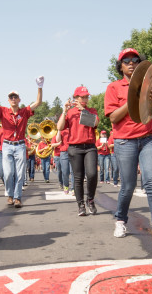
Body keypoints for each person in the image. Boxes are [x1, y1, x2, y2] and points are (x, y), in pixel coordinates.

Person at [105, 48, 152, 246]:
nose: (131, 63)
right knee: (128, 186)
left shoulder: (150, 85)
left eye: (135, 59)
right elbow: (113, 117)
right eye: (126, 61)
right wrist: (131, 99)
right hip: (124, 141)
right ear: (120, 67)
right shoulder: (114, 88)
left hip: (148, 139)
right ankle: (120, 220)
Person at [0, 79, 42, 208]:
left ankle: (17, 197)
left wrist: (40, 86)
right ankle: (10, 194)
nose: (13, 99)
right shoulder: (3, 111)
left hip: (20, 145)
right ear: (8, 100)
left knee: (21, 173)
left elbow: (38, 102)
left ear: (19, 99)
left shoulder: (24, 112)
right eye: (11, 97)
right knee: (8, 173)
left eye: (15, 97)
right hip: (7, 145)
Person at [57, 86, 100, 215]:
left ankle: (90, 199)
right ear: (75, 98)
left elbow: (95, 123)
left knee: (92, 174)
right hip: (75, 148)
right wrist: (64, 111)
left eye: (87, 97)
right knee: (78, 177)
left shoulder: (91, 110)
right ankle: (80, 204)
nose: (85, 99)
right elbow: (59, 127)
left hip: (90, 147)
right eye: (82, 97)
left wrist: (84, 111)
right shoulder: (70, 112)